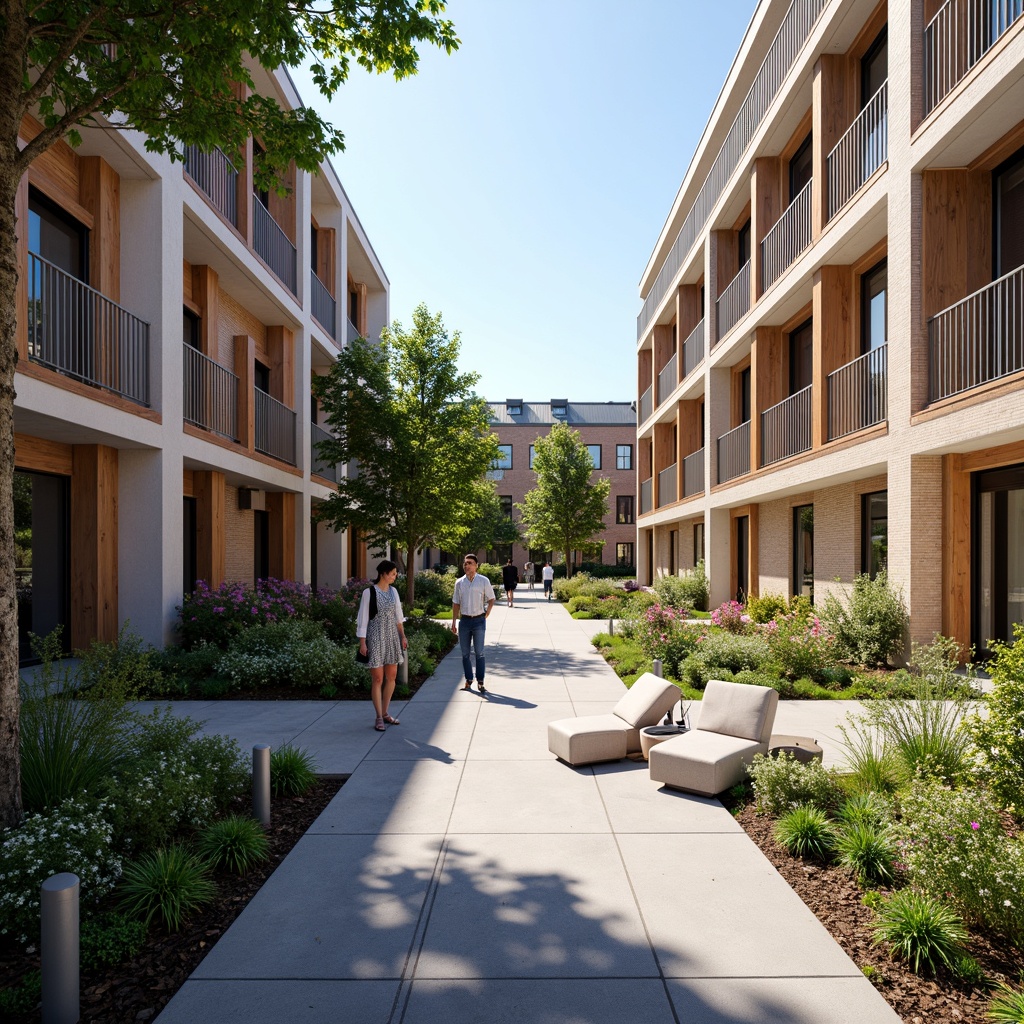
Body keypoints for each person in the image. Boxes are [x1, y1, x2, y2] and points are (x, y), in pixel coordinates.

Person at [357, 560, 408, 731]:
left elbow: (398, 618)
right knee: (378, 678)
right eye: (393, 573)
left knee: (392, 676)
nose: (395, 576)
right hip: (375, 636)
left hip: (392, 636)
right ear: (383, 574)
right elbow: (363, 619)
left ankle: (386, 712)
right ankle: (378, 716)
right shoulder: (369, 592)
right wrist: (362, 642)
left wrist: (402, 636)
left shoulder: (394, 592)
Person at [451, 553, 496, 692]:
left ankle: (480, 681)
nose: (467, 565)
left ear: (476, 565)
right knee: (464, 653)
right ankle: (469, 679)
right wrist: (454, 621)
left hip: (478, 621)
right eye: (465, 563)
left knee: (479, 653)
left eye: (470, 563)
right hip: (464, 621)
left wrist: (487, 612)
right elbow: (456, 603)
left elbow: (491, 598)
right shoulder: (459, 583)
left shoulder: (483, 581)